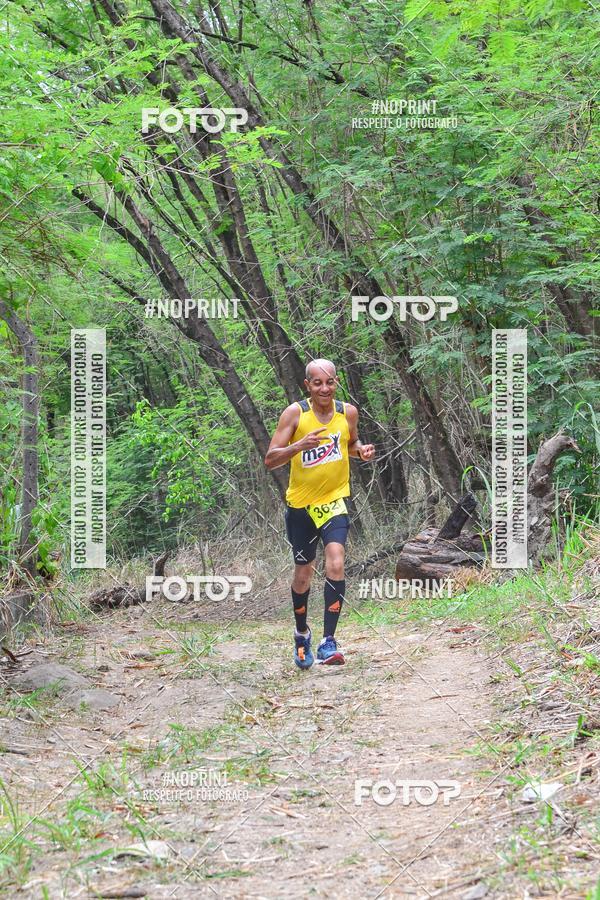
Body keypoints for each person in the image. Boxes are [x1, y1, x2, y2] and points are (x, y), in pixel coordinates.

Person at [264, 359, 375, 668]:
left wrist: (361, 451)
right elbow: (270, 459)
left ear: (336, 382)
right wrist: (299, 445)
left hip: (334, 500)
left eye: (329, 382)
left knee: (336, 561)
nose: (324, 388)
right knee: (303, 574)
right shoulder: (295, 414)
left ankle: (329, 642)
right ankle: (302, 634)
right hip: (301, 506)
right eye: (317, 383)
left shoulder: (347, 412)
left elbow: (350, 444)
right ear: (307, 386)